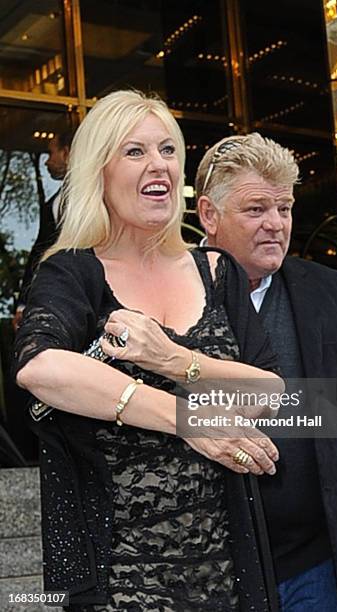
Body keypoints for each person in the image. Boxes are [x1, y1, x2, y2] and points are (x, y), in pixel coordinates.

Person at [12, 91, 286, 611]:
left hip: (230, 571)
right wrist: (187, 418)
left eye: (167, 149)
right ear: (100, 171)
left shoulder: (216, 270)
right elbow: (39, 368)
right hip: (120, 579)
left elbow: (271, 395)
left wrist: (169, 358)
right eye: (134, 151)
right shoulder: (71, 273)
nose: (157, 163)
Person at [195, 132, 337, 612]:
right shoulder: (167, 295)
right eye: (256, 210)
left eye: (285, 208)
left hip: (315, 564)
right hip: (208, 568)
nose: (276, 224)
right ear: (209, 216)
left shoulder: (330, 292)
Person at [13, 129, 74, 330]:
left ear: (67, 153)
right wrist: (24, 303)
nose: (47, 161)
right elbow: (41, 252)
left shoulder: (103, 195)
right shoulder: (54, 203)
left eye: (51, 153)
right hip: (60, 298)